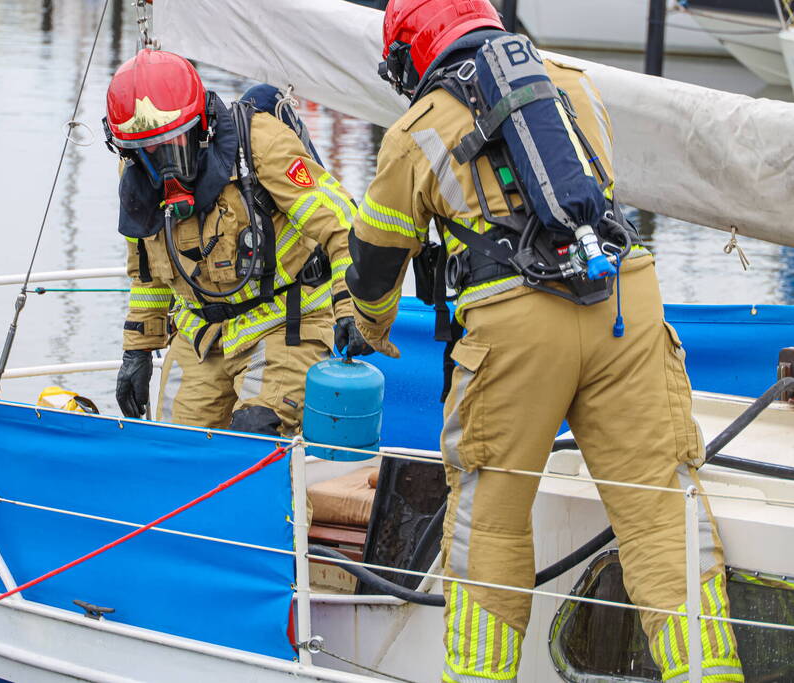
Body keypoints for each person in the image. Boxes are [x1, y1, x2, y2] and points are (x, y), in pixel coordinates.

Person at [345, 1, 743, 680]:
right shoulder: (572, 84)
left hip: (515, 328)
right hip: (622, 297)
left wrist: (368, 328)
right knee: (657, 514)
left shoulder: (416, 129)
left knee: (490, 525)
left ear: (412, 54)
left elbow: (377, 257)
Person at [104, 49, 371, 436]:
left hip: (284, 324)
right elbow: (148, 271)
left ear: (202, 126)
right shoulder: (135, 173)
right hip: (202, 334)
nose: (163, 164)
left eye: (172, 144)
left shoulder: (261, 144)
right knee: (173, 451)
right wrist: (138, 349)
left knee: (255, 444)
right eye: (148, 151)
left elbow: (343, 226)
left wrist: (351, 307)